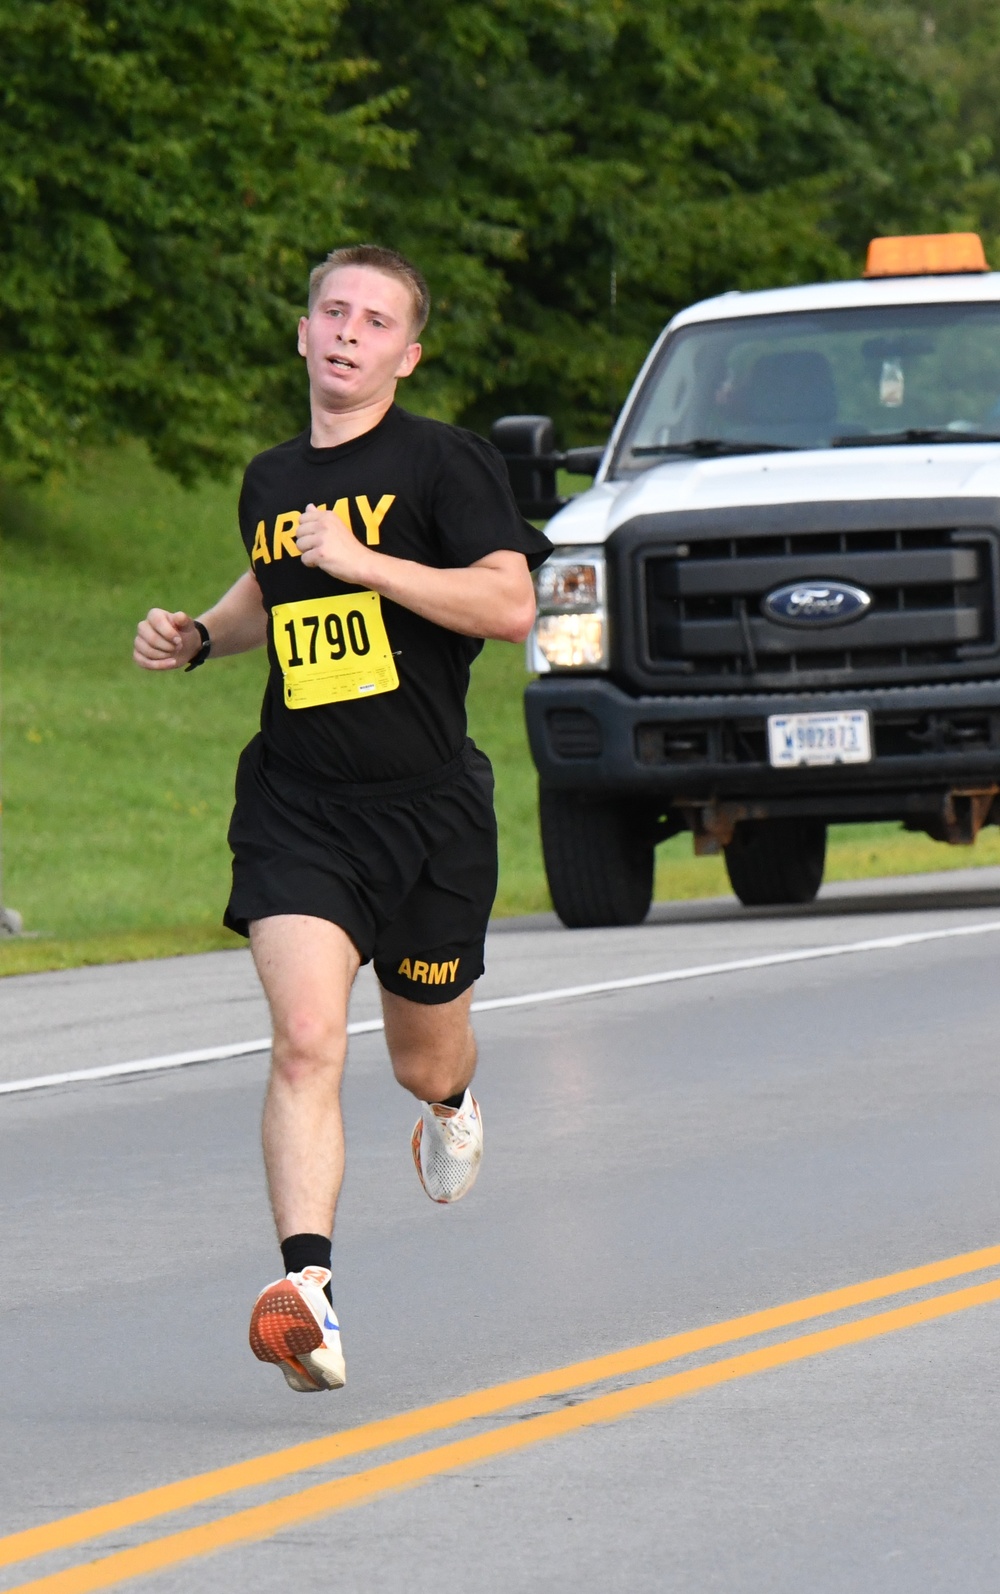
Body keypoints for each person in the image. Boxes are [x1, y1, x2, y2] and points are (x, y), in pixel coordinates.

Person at [133, 245, 551, 1393]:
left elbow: (511, 604)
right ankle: (307, 1291)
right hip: (298, 806)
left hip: (428, 815)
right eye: (333, 310)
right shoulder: (271, 477)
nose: (349, 332)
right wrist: (202, 637)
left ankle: (456, 1101)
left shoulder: (443, 463)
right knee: (308, 1037)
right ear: (305, 330)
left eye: (376, 321)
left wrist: (366, 560)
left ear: (406, 354)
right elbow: (275, 585)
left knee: (422, 1057)